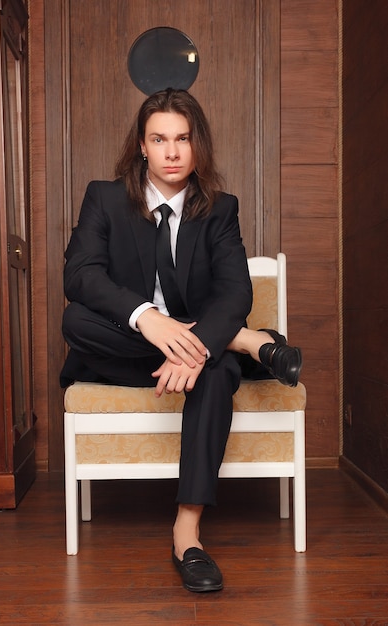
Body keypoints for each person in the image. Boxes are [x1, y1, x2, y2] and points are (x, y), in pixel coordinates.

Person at [60, 88, 302, 593]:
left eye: (183, 139)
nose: (172, 152)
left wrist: (193, 348)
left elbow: (236, 289)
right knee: (76, 322)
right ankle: (246, 343)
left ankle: (187, 533)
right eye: (159, 139)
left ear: (198, 146)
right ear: (141, 147)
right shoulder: (104, 197)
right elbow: (80, 275)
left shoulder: (218, 209)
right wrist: (149, 318)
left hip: (193, 364)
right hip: (125, 349)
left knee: (215, 370)